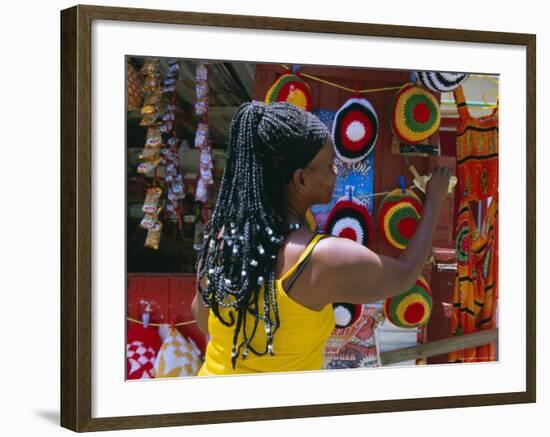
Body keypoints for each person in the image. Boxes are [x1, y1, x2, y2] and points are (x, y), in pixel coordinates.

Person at [192, 101, 451, 375]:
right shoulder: (320, 258)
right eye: (329, 165)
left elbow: (202, 317)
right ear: (301, 180)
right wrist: (434, 202)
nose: (335, 172)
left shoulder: (223, 239)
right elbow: (404, 275)